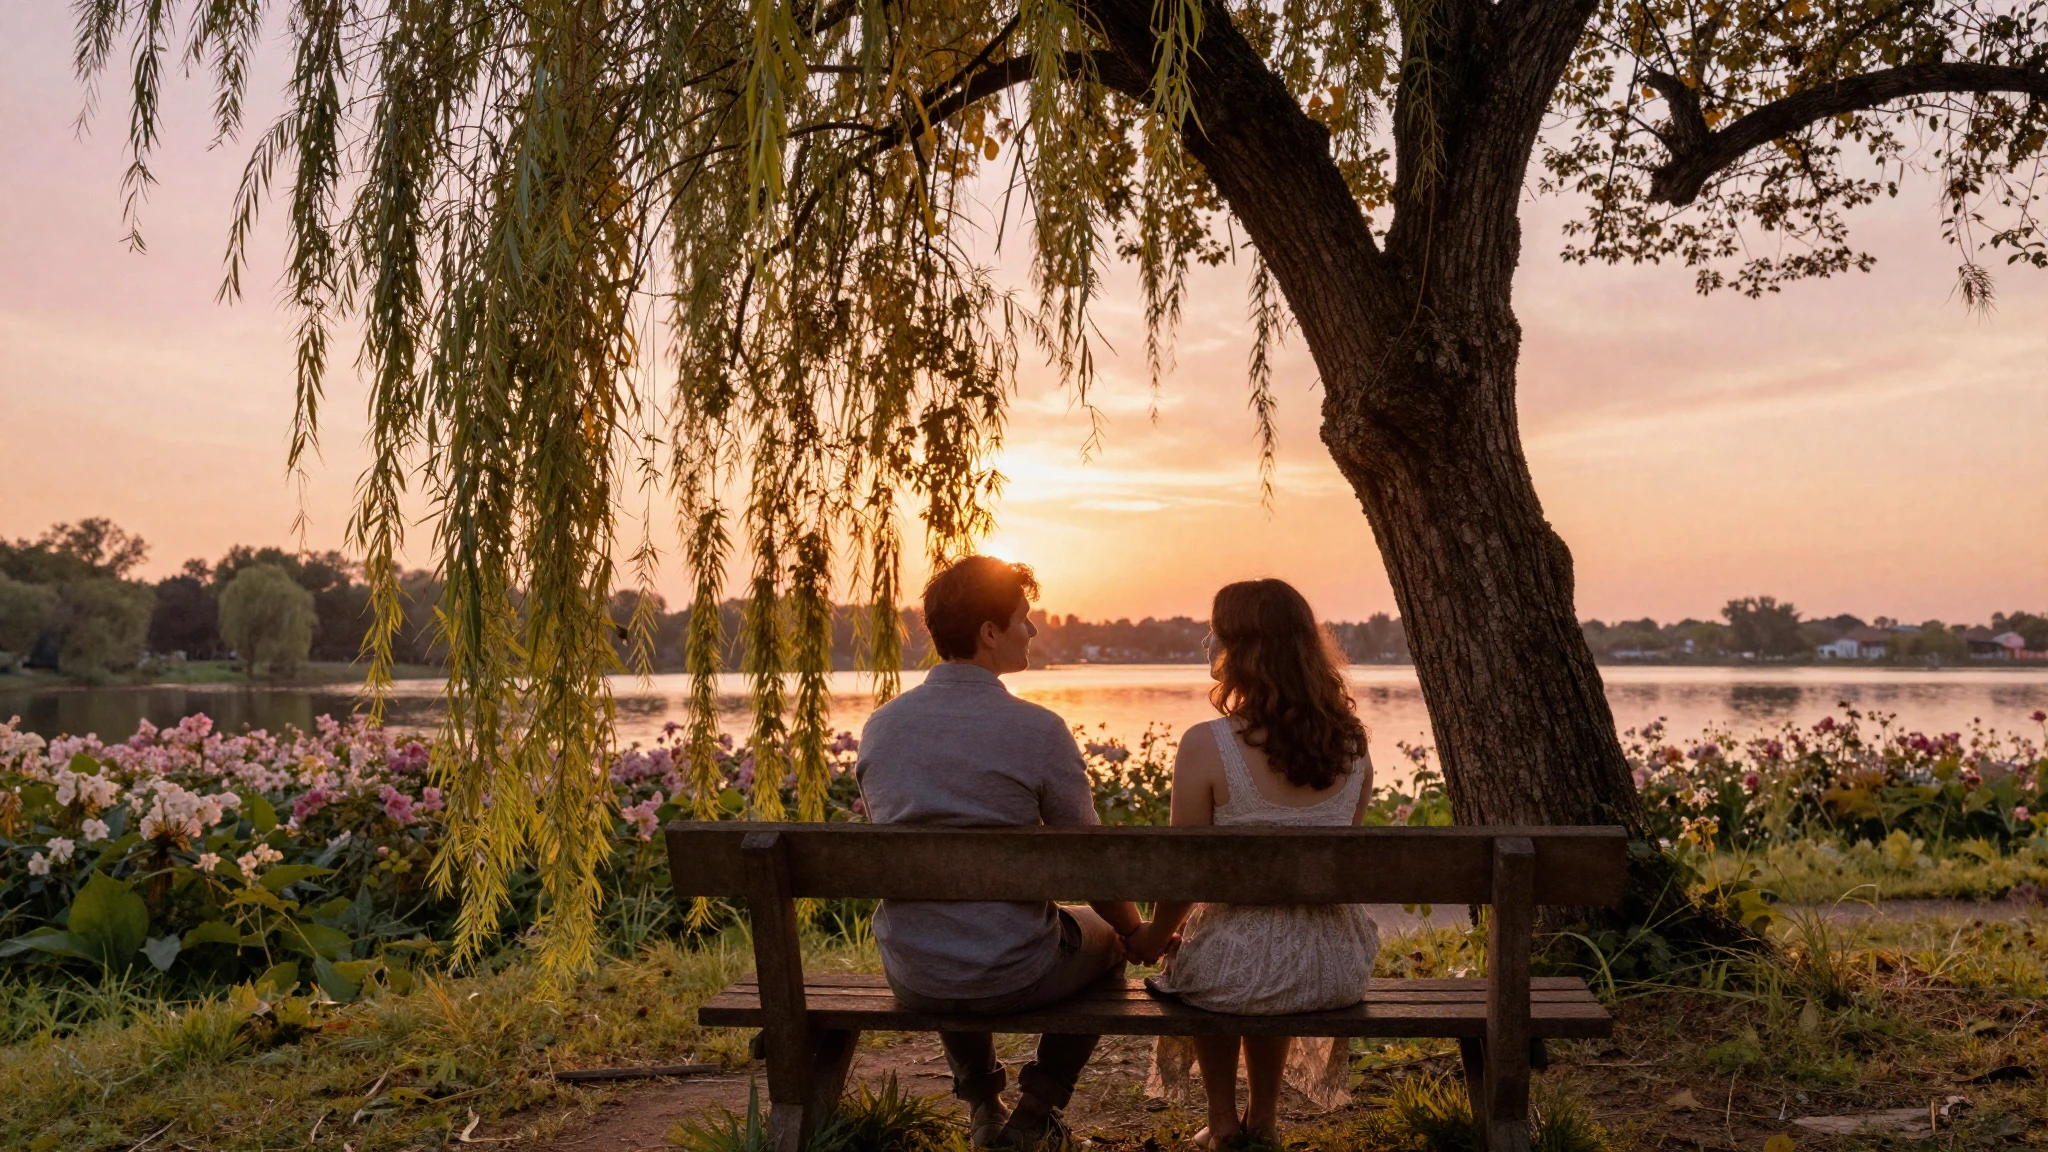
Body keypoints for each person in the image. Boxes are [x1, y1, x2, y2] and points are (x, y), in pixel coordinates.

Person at [857, 555, 1143, 1149]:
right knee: (1110, 943)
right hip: (1014, 972)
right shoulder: (1038, 730)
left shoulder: (882, 727)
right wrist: (1135, 930)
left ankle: (984, 1107)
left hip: (914, 972)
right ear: (990, 632)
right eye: (1024, 618)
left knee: (947, 927)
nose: (1033, 630)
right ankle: (1035, 1113)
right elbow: (1089, 860)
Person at [1122, 578, 1379, 1147]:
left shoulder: (1205, 743)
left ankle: (1222, 1123)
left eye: (1215, 633)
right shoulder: (1353, 744)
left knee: (1223, 952)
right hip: (1331, 964)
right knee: (1259, 948)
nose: (1207, 643)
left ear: (1241, 650)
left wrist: (1156, 937)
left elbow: (1186, 871)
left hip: (1235, 966)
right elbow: (1337, 866)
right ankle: (1262, 1120)